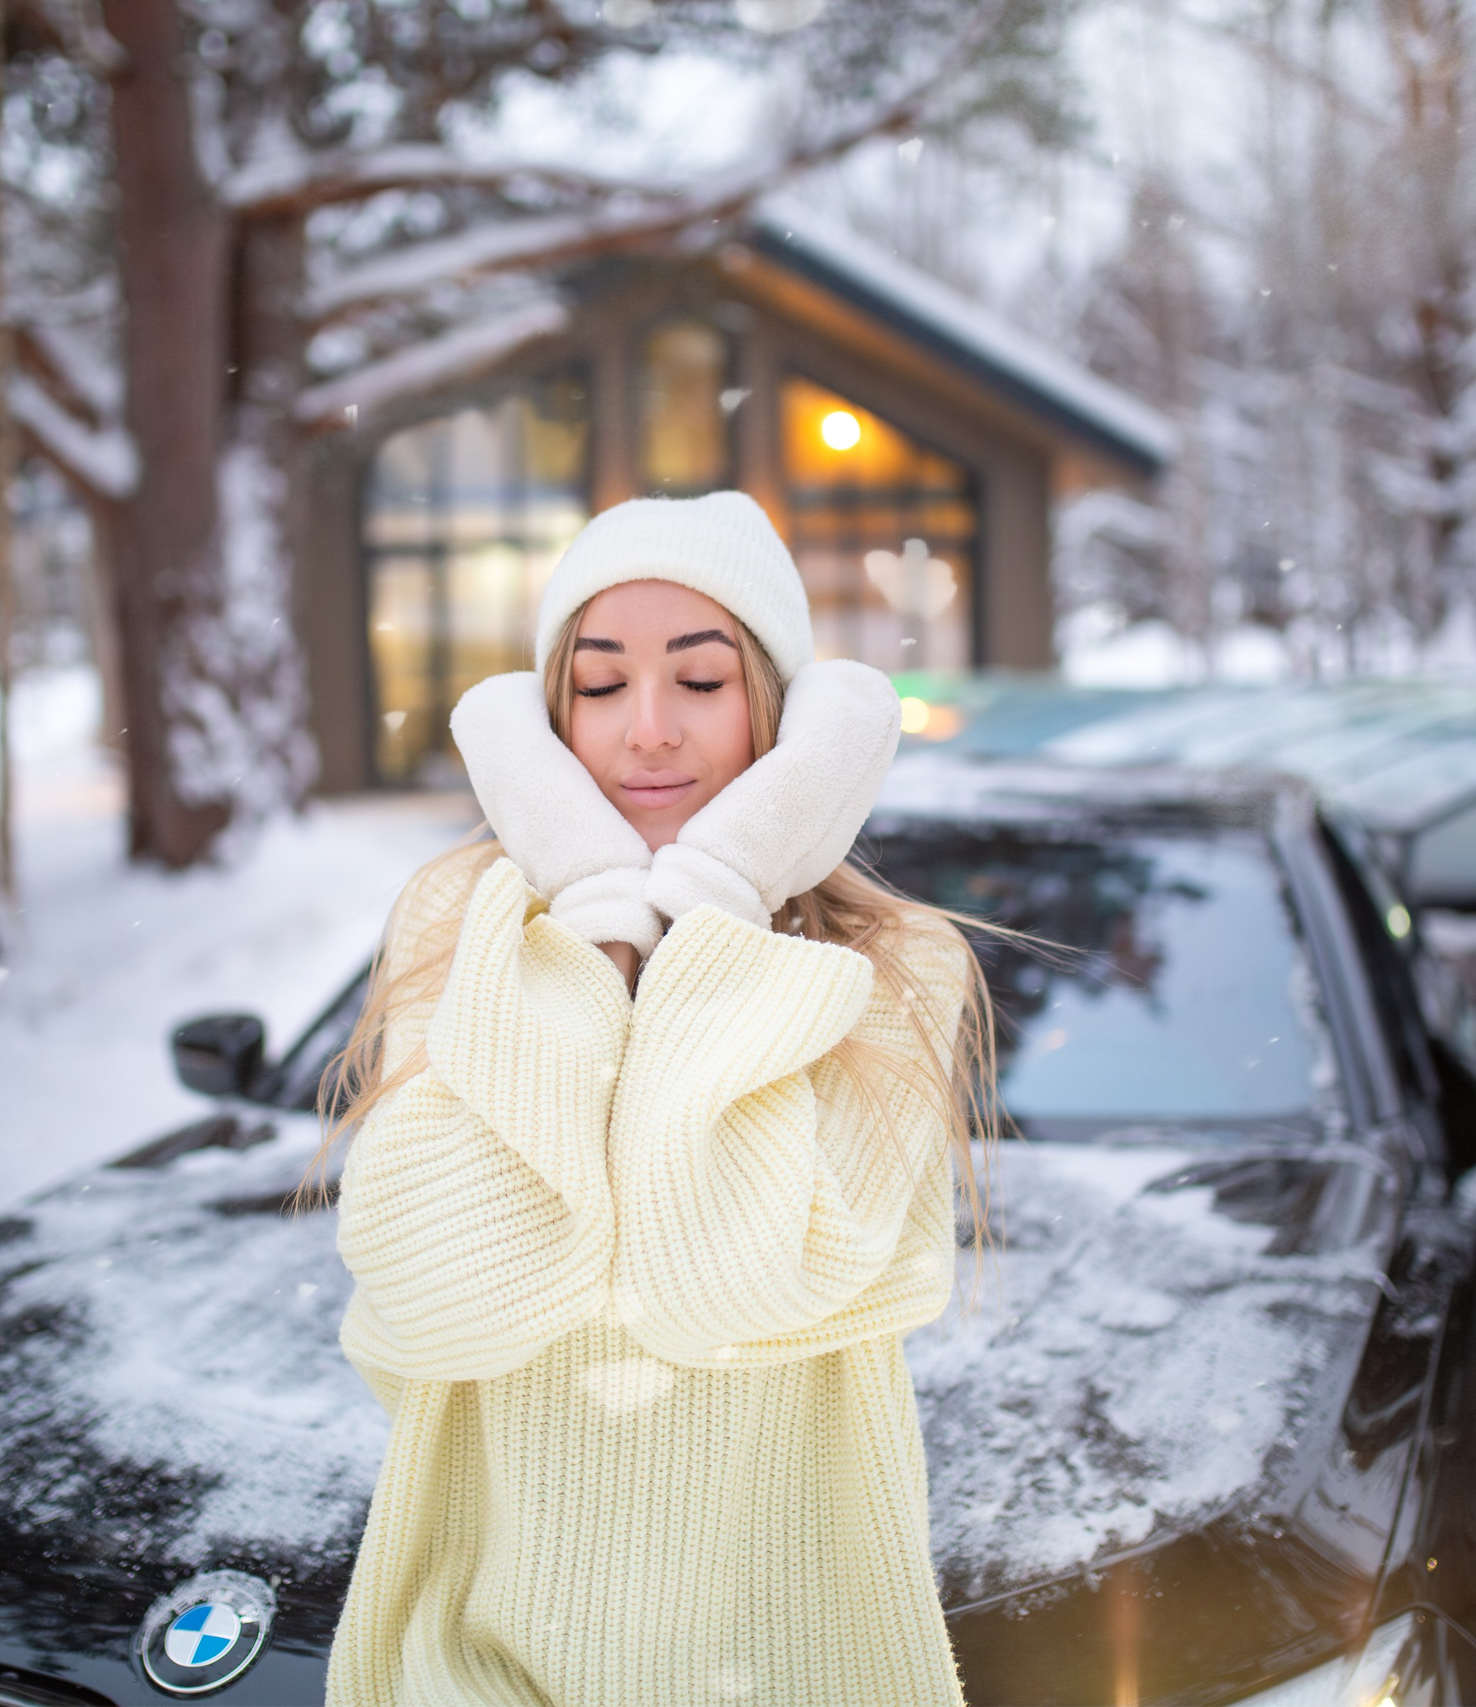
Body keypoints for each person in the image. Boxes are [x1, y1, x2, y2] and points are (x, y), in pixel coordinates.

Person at [320, 491, 992, 1707]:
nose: (646, 732)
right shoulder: (458, 926)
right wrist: (590, 927)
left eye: (700, 681)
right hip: (469, 1670)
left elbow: (716, 1288)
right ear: (547, 718)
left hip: (797, 1677)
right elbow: (439, 1295)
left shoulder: (892, 968)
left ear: (776, 710)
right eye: (598, 684)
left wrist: (715, 902)